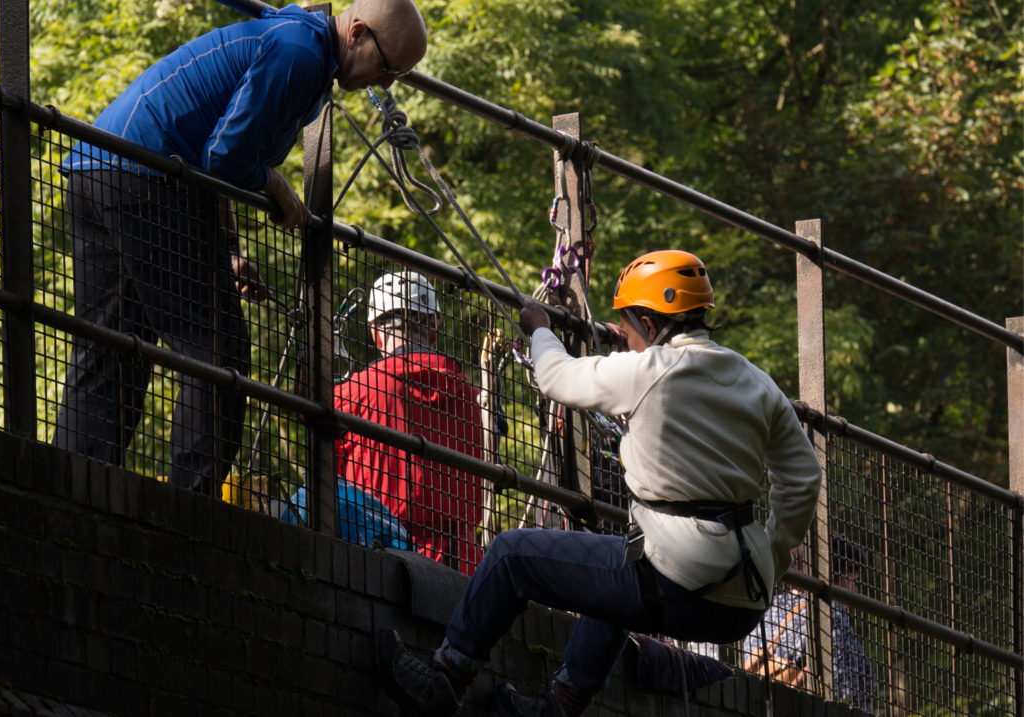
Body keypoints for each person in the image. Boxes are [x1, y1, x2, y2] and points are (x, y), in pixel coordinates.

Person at [371, 250, 823, 717]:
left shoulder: (649, 371)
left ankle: (444, 680)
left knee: (509, 555)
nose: (626, 341)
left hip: (679, 579)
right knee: (614, 575)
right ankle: (560, 706)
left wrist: (540, 327)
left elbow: (556, 376)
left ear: (650, 323)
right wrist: (773, 552)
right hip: (744, 599)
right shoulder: (757, 381)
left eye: (627, 329)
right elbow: (803, 478)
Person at [51, 0, 428, 495]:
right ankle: (193, 512)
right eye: (387, 67)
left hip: (96, 166)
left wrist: (227, 248)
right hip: (144, 176)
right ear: (356, 33)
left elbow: (217, 148)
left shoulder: (300, 44)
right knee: (217, 348)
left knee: (112, 346)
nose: (385, 85)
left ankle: (68, 489)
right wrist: (274, 185)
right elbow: (224, 156)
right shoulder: (300, 54)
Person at [333, 271, 486, 575]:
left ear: (376, 334)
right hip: (462, 566)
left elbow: (329, 478)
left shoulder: (353, 394)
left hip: (376, 562)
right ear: (432, 329)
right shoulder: (471, 396)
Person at [742, 535, 878, 712]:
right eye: (853, 579)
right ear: (835, 575)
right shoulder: (830, 613)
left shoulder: (771, 608)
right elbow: (842, 684)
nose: (855, 589)